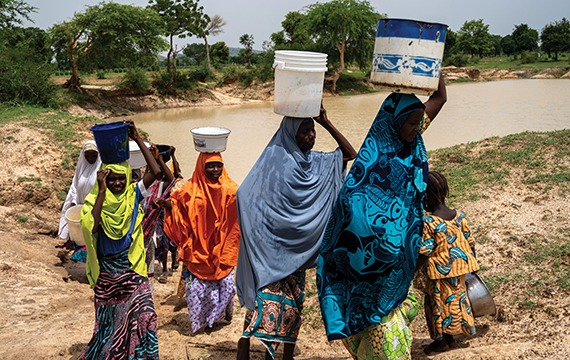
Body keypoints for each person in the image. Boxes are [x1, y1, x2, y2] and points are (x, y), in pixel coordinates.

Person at [317, 75, 447, 359]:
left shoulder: (409, 143)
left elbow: (439, 99)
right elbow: (353, 212)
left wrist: (434, 69)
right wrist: (388, 239)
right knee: (380, 331)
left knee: (391, 327)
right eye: (412, 124)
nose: (417, 129)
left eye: (418, 123)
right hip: (373, 269)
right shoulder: (373, 163)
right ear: (395, 122)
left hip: (400, 264)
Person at [236, 106, 357, 360]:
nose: (311, 136)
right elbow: (245, 194)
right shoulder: (275, 163)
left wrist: (326, 122)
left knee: (293, 307)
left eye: (312, 131)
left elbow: (350, 154)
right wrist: (258, 234)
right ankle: (244, 348)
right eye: (304, 132)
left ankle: (286, 355)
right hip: (272, 254)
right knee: (263, 305)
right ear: (291, 135)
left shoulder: (319, 163)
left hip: (299, 252)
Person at [79, 121, 161, 359]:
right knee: (110, 327)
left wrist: (136, 138)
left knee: (146, 314)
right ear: (104, 179)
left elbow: (155, 173)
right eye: (111, 179)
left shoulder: (133, 195)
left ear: (128, 178)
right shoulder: (95, 200)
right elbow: (92, 226)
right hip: (107, 276)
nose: (117, 183)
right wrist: (102, 192)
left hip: (131, 269)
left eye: (120, 179)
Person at [159, 151, 240, 333]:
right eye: (210, 165)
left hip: (221, 247)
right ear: (201, 167)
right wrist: (166, 205)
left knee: (226, 286)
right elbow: (178, 205)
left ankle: (219, 317)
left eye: (219, 165)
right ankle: (203, 322)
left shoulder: (230, 188)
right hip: (198, 249)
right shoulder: (191, 188)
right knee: (198, 291)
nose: (215, 169)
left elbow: (241, 205)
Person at [419, 171, 480, 354]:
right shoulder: (459, 216)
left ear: (426, 196)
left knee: (437, 305)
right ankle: (452, 338)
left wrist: (412, 268)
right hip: (460, 268)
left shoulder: (429, 222)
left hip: (439, 272)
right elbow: (470, 242)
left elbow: (426, 250)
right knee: (457, 303)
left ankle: (442, 341)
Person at [57, 140, 101, 245]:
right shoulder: (81, 167)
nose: (90, 159)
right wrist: (73, 200)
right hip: (79, 206)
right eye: (88, 156)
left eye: (94, 156)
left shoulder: (100, 169)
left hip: (93, 208)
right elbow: (74, 185)